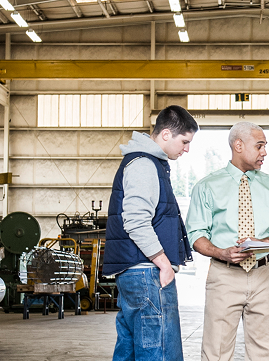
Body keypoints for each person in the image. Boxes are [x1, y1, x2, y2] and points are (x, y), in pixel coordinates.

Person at [186, 121, 269, 361]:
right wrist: (221, 253)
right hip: (224, 275)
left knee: (265, 350)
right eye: (259, 146)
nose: (265, 152)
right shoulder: (207, 187)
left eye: (265, 146)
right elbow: (195, 234)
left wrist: (265, 241)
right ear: (238, 145)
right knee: (216, 351)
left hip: (264, 275)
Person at [104, 105, 199, 361]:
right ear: (166, 134)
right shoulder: (145, 165)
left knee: (130, 350)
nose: (187, 148)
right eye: (185, 141)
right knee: (159, 351)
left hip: (135, 272)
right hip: (147, 272)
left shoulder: (145, 162)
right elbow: (135, 221)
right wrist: (164, 263)